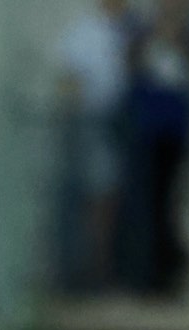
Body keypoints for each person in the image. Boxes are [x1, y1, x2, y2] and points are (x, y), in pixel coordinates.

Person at [54, 0, 142, 292]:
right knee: (99, 197)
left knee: (116, 197)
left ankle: (120, 268)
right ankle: (94, 271)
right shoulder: (84, 33)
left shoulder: (134, 31)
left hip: (130, 124)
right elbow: (70, 81)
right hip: (94, 122)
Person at [125, 0, 189, 296]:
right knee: (149, 201)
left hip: (176, 130)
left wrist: (178, 42)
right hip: (148, 130)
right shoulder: (143, 35)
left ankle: (169, 269)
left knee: (169, 198)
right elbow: (131, 65)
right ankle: (150, 271)